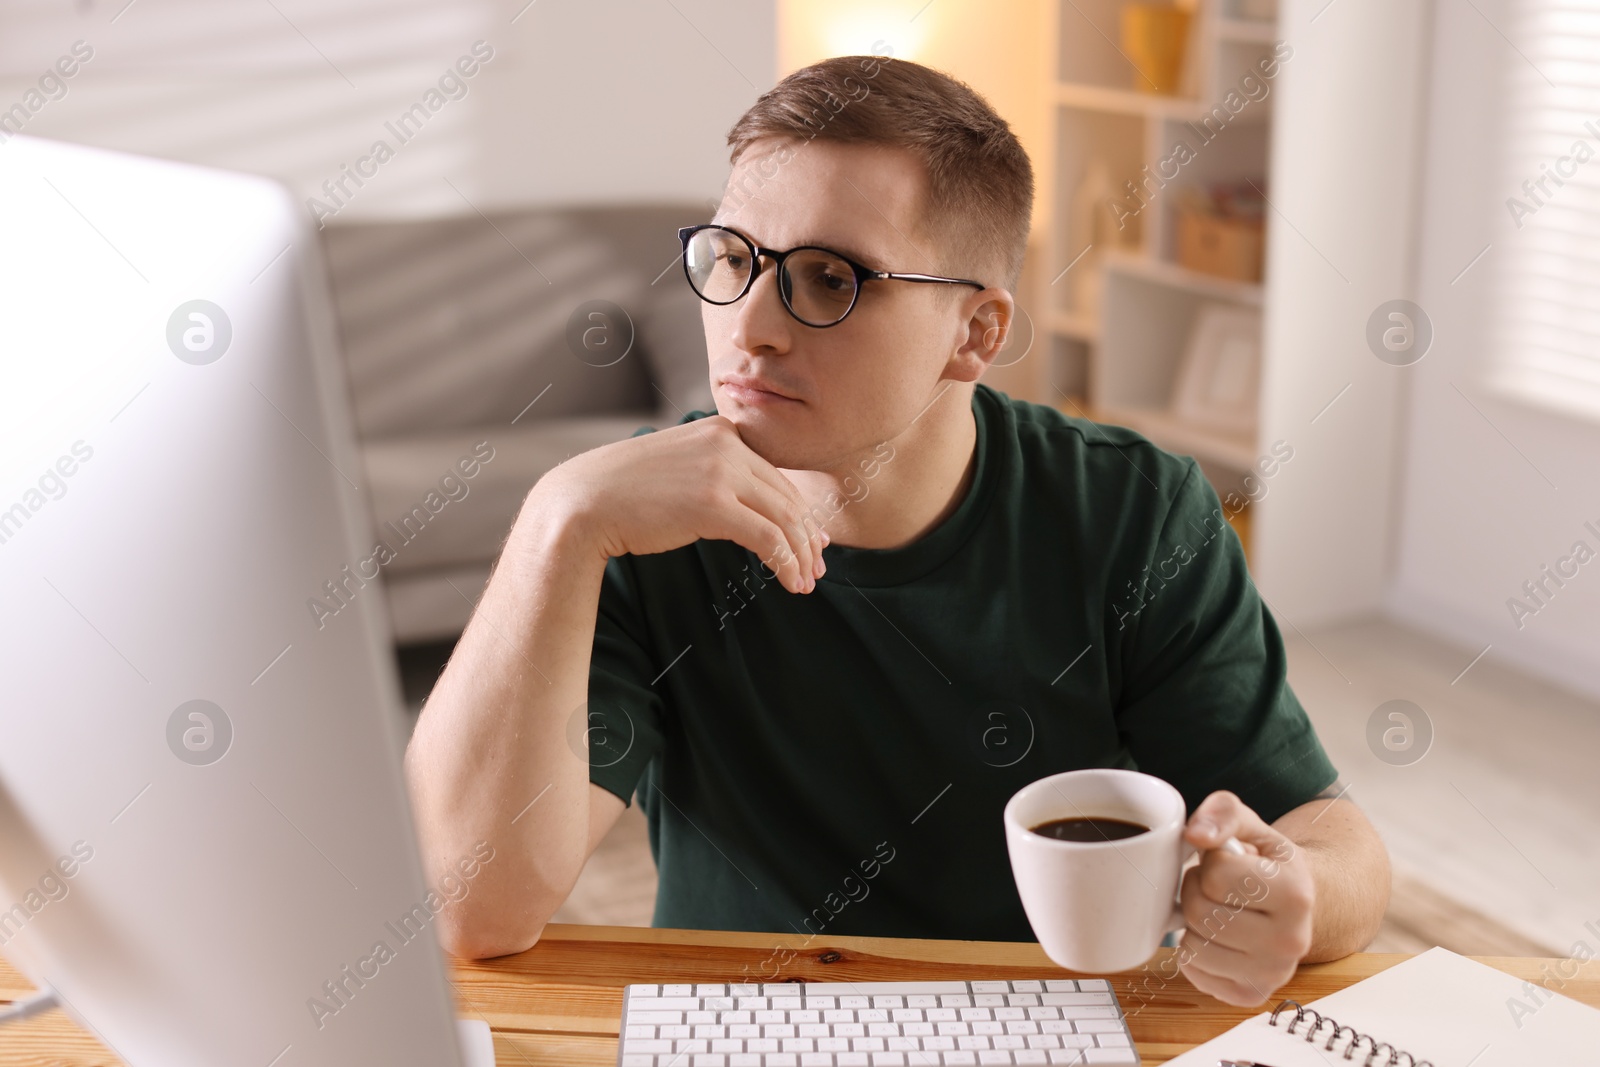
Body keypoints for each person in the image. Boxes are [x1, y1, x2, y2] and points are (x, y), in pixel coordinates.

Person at [404, 54, 1390, 1008]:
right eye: (734, 259)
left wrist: (1291, 897)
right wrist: (555, 523)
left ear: (976, 333)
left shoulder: (1132, 512)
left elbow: (1334, 838)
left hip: (1040, 1025)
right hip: (739, 1022)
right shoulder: (636, 525)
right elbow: (470, 905)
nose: (750, 325)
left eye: (829, 278)